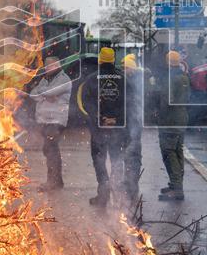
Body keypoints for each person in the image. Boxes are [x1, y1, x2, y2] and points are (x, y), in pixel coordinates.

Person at [77, 47, 126, 207]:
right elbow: (130, 102)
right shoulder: (122, 78)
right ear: (113, 60)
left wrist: (99, 117)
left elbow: (86, 103)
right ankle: (118, 196)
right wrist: (116, 118)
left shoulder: (91, 79)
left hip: (99, 129)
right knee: (116, 159)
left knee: (99, 160)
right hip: (118, 127)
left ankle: (103, 194)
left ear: (99, 60)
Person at [28, 56, 72, 191]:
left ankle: (52, 182)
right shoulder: (45, 80)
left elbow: (47, 92)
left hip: (55, 121)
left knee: (51, 149)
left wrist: (45, 94)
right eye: (46, 66)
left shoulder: (64, 80)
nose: (46, 69)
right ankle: (57, 181)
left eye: (49, 66)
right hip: (45, 120)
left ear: (56, 66)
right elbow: (33, 94)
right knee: (49, 150)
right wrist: (46, 95)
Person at [151, 50, 190, 201]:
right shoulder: (184, 77)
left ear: (168, 63)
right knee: (177, 150)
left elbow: (167, 100)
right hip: (182, 117)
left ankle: (177, 188)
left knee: (168, 152)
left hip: (170, 120)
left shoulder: (170, 78)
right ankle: (176, 185)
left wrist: (157, 113)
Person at [121, 53, 146, 203]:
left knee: (133, 155)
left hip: (134, 122)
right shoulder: (132, 80)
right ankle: (129, 184)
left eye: (125, 68)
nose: (123, 71)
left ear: (131, 69)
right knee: (128, 154)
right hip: (130, 122)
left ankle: (132, 187)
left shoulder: (134, 82)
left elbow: (132, 104)